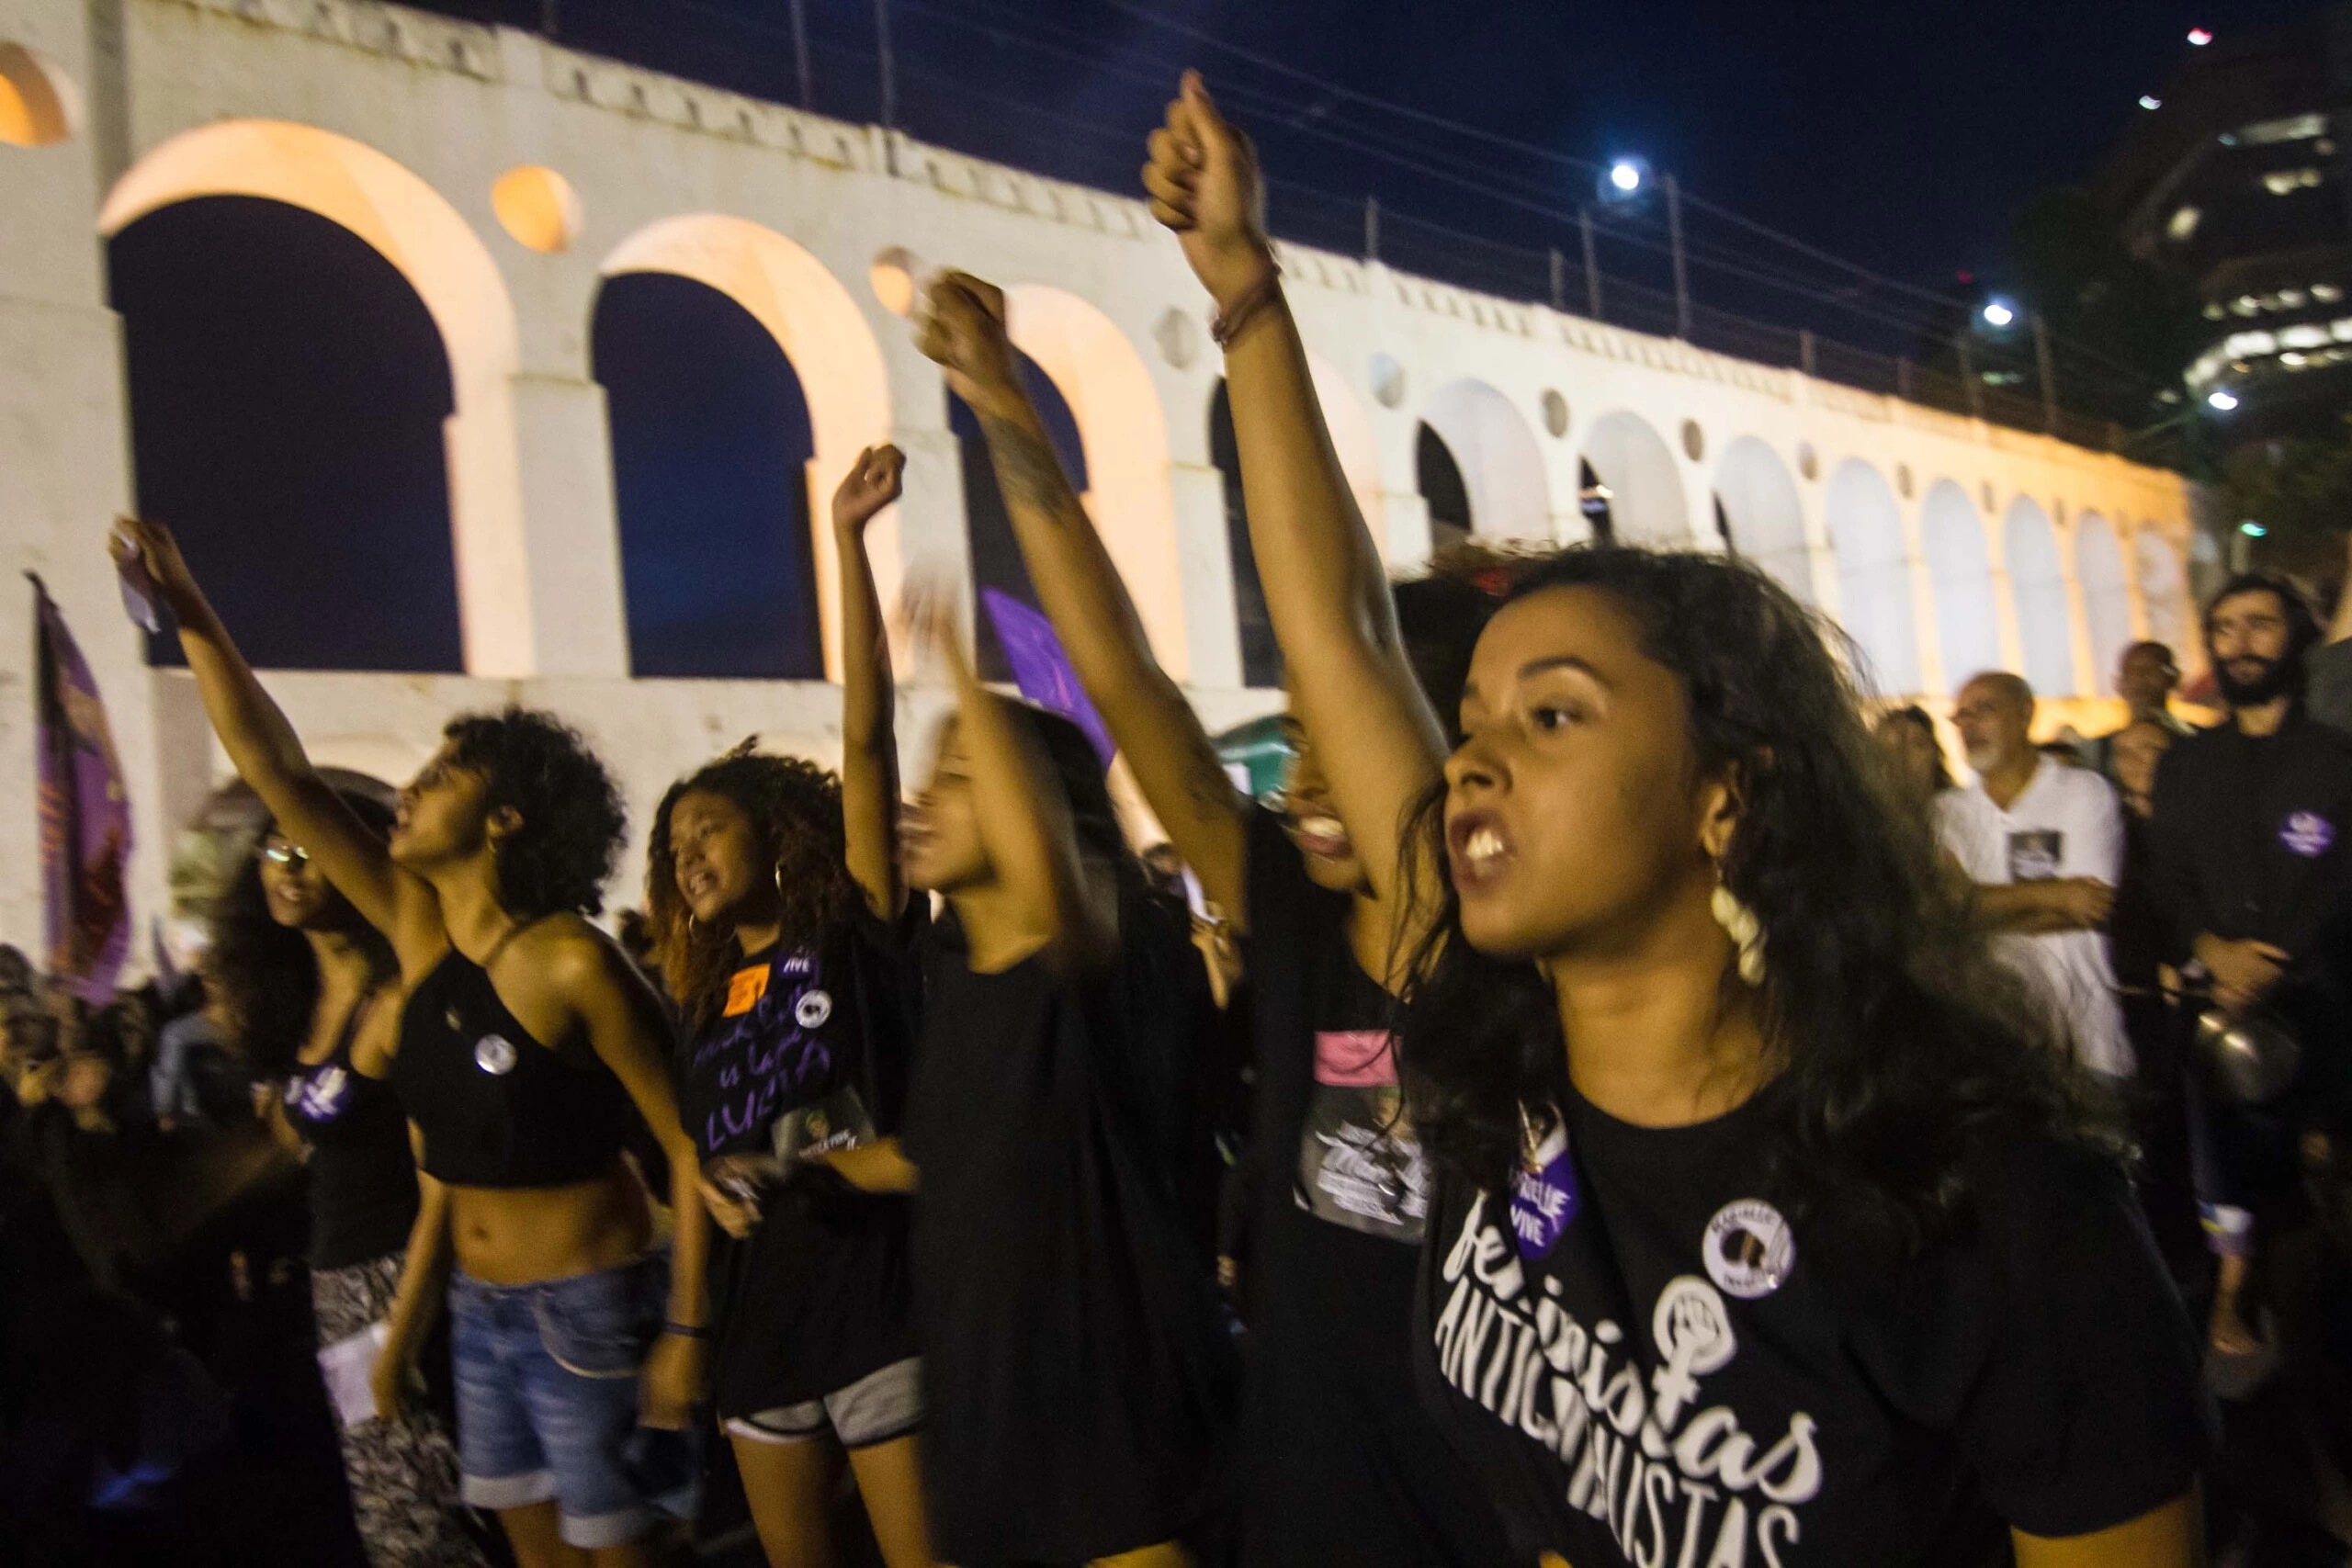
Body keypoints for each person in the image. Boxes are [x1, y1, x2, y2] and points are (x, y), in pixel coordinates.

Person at [1148, 72, 2209, 1567]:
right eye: (1470, 727)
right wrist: (1247, 292)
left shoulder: (1985, 1196)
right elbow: (1334, 631)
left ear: (1731, 793)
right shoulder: (1480, 1052)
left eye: (1553, 714)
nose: (1470, 763)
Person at [912, 258, 1506, 1566]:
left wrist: (1246, 302)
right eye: (1290, 741)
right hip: (1291, 1499)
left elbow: (1340, 624)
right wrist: (1000, 398)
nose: (1302, 783)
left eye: (1335, 738)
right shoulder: (1289, 914)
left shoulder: (1485, 966)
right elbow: (1123, 674)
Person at [114, 516, 711, 1568]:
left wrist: (684, 1332)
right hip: (479, 1320)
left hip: (593, 1315)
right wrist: (189, 607)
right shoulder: (420, 937)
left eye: (444, 776)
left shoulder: (572, 962)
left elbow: (686, 1148)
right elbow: (280, 770)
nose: (414, 789)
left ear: (508, 820)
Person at [826, 476, 1230, 1564]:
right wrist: (785, 1175)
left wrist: (961, 668)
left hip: (1109, 1407)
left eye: (961, 775)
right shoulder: (956, 970)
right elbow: (934, 1154)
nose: (924, 795)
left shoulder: (1095, 958)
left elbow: (1051, 887)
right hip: (984, 1404)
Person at [641, 448, 933, 1568]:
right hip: (762, 1344)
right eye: (674, 849)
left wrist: (848, 541)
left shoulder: (851, 926)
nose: (689, 856)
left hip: (881, 1314)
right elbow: (696, 1151)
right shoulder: (703, 995)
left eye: (708, 829)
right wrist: (690, 1310)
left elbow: (865, 739)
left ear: (773, 829)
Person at [213, 795, 492, 1566]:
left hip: (399, 1284)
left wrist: (400, 1337)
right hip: (337, 1289)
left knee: (435, 1512)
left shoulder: (397, 1001)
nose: (291, 870)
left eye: (310, 851)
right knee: (389, 1509)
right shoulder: (300, 1009)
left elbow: (442, 1189)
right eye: (275, 854)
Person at [2149, 573, 2352, 1358]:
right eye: (2226, 628)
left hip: (2321, 998)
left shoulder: (2336, 761)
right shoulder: (2185, 767)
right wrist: (2211, 949)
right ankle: (2233, 1294)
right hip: (2218, 1007)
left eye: (2260, 624)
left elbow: (2343, 883)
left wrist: (2283, 960)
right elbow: (2165, 879)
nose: (2241, 643)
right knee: (2221, 1157)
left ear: (2292, 637)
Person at [1937, 671, 2134, 1080]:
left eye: (1985, 710)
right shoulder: (1946, 813)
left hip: (2084, 1045)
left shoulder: (2083, 792)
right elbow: (1948, 912)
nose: (1969, 725)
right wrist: (2056, 894)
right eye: (1961, 716)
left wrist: (1976, 906)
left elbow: (2088, 908)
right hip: (1993, 1047)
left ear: (2025, 714)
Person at [2085, 642, 2187, 777]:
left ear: (2173, 679)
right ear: (2118, 683)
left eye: (2151, 670)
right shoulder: (2096, 752)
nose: (2139, 678)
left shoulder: (2198, 744)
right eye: (2130, 672)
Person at [1872, 705, 1951, 819]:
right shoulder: (1865, 821)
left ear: (1935, 753)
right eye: (1894, 746)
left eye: (1918, 744)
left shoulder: (1958, 812)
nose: (1905, 756)